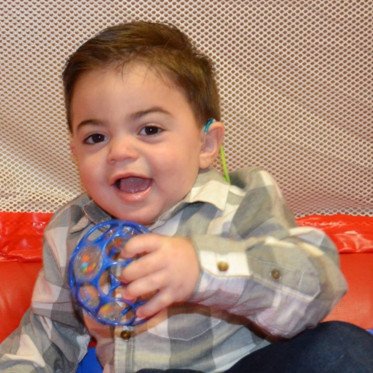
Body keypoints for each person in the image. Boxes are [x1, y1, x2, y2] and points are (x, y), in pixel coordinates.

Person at [1, 20, 372, 373]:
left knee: (340, 347)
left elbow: (315, 286)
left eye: (149, 129)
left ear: (206, 144)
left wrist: (204, 270)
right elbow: (49, 333)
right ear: (75, 153)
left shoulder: (241, 201)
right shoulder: (71, 229)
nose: (120, 151)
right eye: (96, 137)